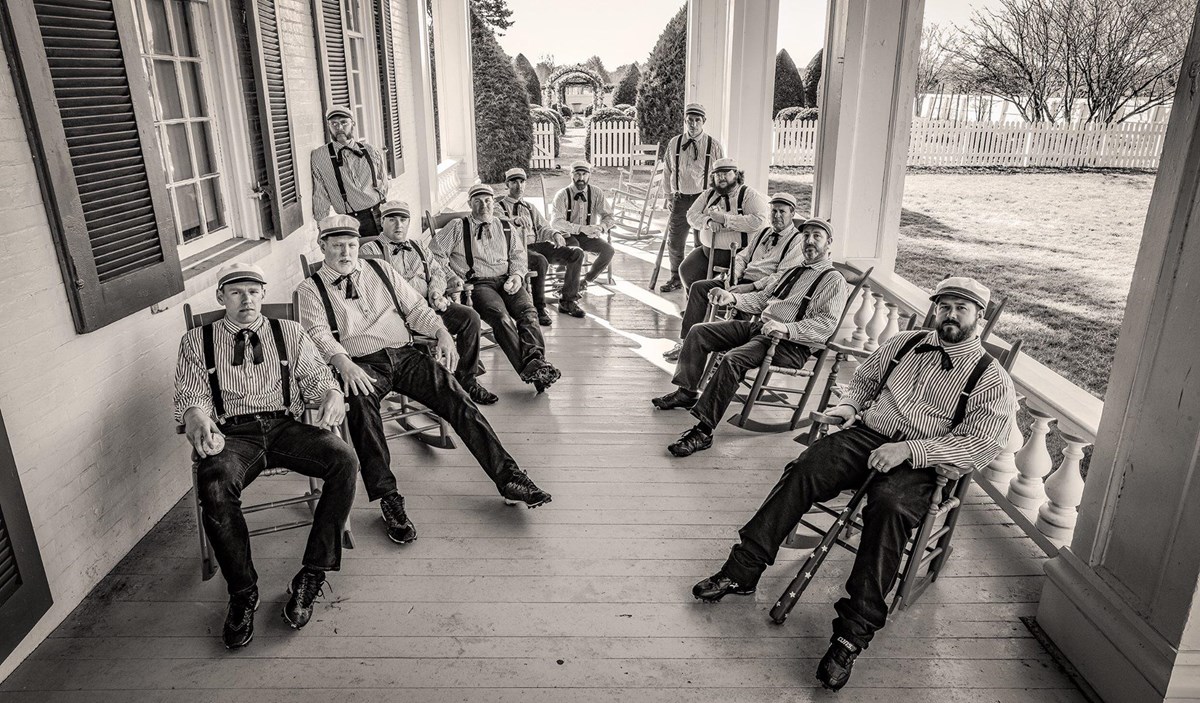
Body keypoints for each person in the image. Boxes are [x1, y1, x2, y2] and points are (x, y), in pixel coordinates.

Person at [690, 277, 1016, 691]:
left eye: (961, 309)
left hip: (923, 458)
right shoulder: (905, 343)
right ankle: (743, 570)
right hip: (867, 434)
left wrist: (909, 452)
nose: (949, 315)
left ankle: (850, 635)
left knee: (890, 507)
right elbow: (863, 382)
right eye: (944, 306)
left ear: (979, 318)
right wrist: (846, 407)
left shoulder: (990, 377)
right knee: (805, 468)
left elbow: (979, 445)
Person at [298, 216, 552, 547]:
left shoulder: (380, 270)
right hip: (360, 364)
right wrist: (343, 363)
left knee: (459, 400)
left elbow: (416, 307)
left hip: (405, 355)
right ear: (323, 247)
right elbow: (317, 333)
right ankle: (389, 499)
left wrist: (441, 332)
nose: (346, 252)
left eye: (350, 245)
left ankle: (509, 478)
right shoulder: (309, 289)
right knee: (363, 416)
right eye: (336, 246)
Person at [174, 262, 357, 647]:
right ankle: (243, 592)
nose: (247, 299)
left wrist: (332, 394)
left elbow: (316, 377)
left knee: (344, 460)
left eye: (254, 291)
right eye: (237, 292)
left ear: (263, 294)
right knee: (216, 486)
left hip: (285, 426)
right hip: (234, 435)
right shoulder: (197, 341)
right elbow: (191, 396)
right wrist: (195, 417)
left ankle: (312, 573)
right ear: (221, 297)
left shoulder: (288, 331)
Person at [652, 218, 849, 456]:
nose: (809, 241)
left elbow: (826, 324)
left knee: (733, 360)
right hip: (761, 329)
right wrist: (732, 298)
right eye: (805, 236)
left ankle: (703, 431)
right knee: (699, 331)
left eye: (816, 236)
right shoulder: (793, 271)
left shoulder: (833, 280)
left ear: (829, 243)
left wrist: (787, 329)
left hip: (790, 344)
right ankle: (687, 391)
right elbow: (763, 300)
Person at [360, 200, 497, 405]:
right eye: (392, 219)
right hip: (399, 315)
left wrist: (435, 293)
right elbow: (373, 288)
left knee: (470, 317)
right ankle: (438, 387)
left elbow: (437, 272)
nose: (398, 225)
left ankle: (467, 380)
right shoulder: (370, 251)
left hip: (430, 305)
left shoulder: (418, 246)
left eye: (403, 219)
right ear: (382, 222)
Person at [435, 184, 563, 393]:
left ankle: (535, 363)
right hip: (477, 284)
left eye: (487, 201)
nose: (483, 205)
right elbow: (435, 254)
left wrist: (517, 275)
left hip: (507, 280)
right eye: (477, 201)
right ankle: (536, 369)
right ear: (470, 203)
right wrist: (451, 276)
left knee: (529, 313)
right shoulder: (458, 226)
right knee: (501, 318)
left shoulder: (504, 226)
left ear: (493, 203)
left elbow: (518, 255)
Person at [663, 193, 808, 362]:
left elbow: (781, 277)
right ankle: (686, 343)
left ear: (792, 213)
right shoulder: (763, 232)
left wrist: (750, 287)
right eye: (773, 211)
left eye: (782, 212)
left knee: (740, 308)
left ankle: (723, 358)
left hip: (761, 290)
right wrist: (734, 276)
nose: (776, 216)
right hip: (739, 282)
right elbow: (742, 257)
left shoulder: (797, 241)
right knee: (699, 288)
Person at [496, 167, 586, 323]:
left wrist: (555, 234)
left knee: (576, 253)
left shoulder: (530, 207)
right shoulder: (499, 207)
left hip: (537, 245)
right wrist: (513, 221)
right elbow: (495, 219)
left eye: (522, 182)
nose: (519, 186)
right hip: (516, 250)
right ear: (507, 184)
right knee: (540, 261)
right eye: (514, 182)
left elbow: (543, 227)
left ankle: (568, 301)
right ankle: (539, 307)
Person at [658, 103, 725, 292]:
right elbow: (667, 170)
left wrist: (717, 201)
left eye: (697, 120)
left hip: (702, 201)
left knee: (700, 242)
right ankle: (675, 277)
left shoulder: (713, 145)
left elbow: (720, 175)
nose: (693, 124)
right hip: (680, 199)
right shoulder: (675, 143)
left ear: (704, 121)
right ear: (685, 121)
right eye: (690, 120)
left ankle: (696, 282)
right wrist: (668, 195)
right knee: (675, 241)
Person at [679, 158, 769, 290]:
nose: (721, 178)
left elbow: (759, 221)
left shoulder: (749, 195)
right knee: (688, 271)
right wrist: (708, 222)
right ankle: (698, 308)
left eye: (726, 173)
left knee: (731, 286)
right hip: (708, 253)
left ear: (736, 174)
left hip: (739, 256)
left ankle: (719, 307)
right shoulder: (709, 195)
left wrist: (726, 220)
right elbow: (691, 215)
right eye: (717, 174)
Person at [310, 106, 389, 237]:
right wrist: (321, 227)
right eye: (334, 123)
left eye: (343, 122)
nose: (339, 127)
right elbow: (320, 194)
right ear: (328, 126)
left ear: (353, 124)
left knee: (390, 253)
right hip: (351, 220)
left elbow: (383, 181)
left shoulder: (371, 150)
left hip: (381, 212)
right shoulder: (319, 156)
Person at [551, 160, 616, 289]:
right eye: (577, 174)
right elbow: (556, 222)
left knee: (609, 250)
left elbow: (609, 217)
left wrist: (600, 227)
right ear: (571, 175)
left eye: (584, 174)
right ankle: (565, 280)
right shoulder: (562, 195)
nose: (581, 178)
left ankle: (585, 281)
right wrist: (581, 228)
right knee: (574, 248)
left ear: (589, 175)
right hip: (568, 236)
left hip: (588, 237)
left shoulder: (596, 193)